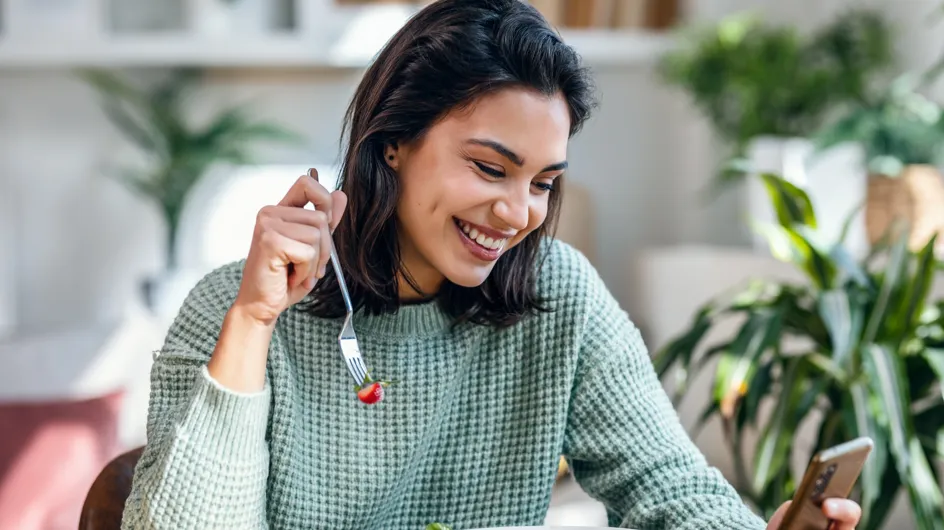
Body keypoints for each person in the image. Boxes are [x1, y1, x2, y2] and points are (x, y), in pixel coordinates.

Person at [120, 1, 863, 529]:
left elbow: (663, 480)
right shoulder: (235, 307)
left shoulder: (557, 295)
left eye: (542, 182)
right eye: (488, 167)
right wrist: (252, 322)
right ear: (394, 143)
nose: (518, 213)